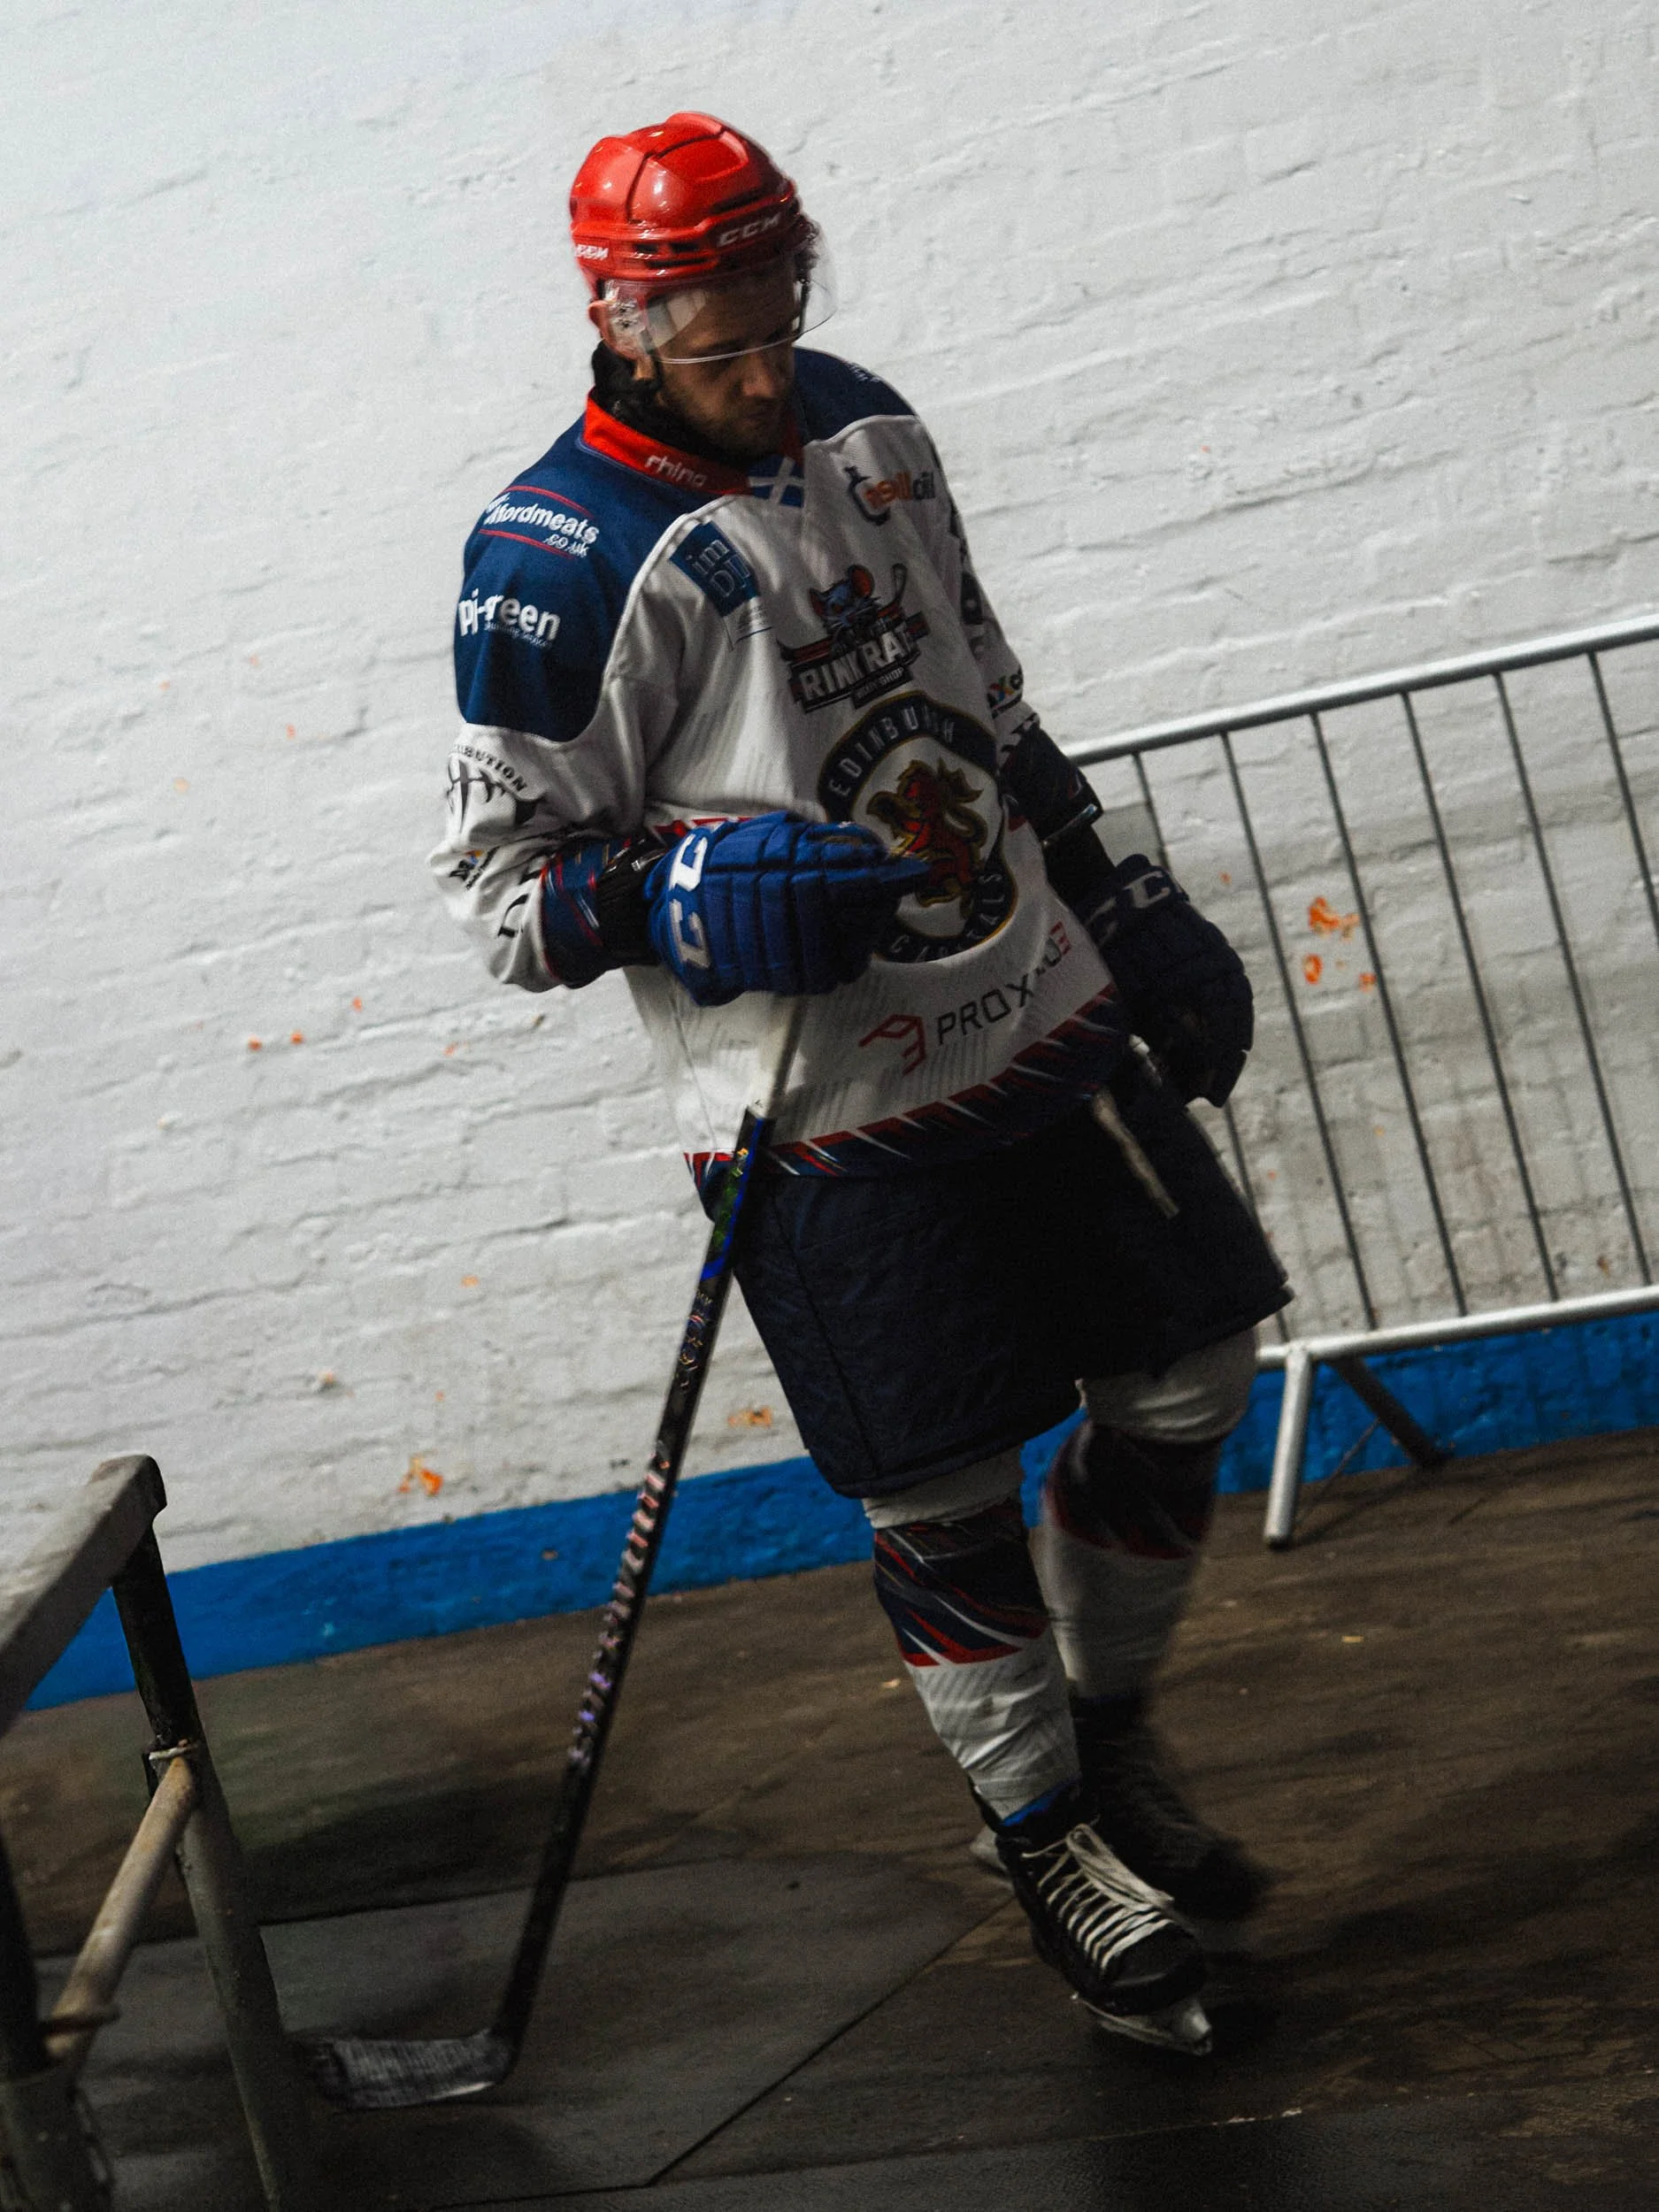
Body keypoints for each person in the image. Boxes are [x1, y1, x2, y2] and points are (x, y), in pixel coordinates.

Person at [433, 111, 1289, 2055]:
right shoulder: (557, 563)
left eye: (777, 306)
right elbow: (506, 904)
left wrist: (1121, 888)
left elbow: (988, 695)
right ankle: (1046, 1834)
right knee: (942, 1489)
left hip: (1035, 1011)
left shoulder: (872, 428)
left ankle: (1109, 1729)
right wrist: (683, 883)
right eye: (715, 329)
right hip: (820, 1115)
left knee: (1181, 1375)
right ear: (619, 313)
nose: (759, 362)